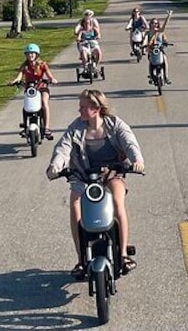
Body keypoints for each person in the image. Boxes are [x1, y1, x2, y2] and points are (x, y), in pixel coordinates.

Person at [46, 89, 145, 280]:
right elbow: (63, 148)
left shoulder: (115, 124)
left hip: (112, 174)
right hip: (83, 176)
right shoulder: (76, 127)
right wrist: (55, 166)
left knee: (117, 200)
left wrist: (137, 160)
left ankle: (123, 254)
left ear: (96, 108)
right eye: (80, 106)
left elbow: (130, 143)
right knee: (75, 204)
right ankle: (81, 259)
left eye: (83, 107)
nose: (80, 110)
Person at [10, 43, 58, 139]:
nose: (30, 55)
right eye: (28, 54)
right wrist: (15, 81)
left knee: (44, 103)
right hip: (30, 89)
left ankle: (47, 127)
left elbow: (50, 75)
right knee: (26, 107)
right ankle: (25, 125)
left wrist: (52, 79)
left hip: (41, 87)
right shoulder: (25, 66)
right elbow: (19, 76)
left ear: (37, 55)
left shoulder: (42, 65)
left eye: (32, 53)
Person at [145, 10, 173, 84]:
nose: (155, 24)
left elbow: (164, 28)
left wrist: (168, 16)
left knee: (165, 60)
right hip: (151, 51)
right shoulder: (148, 33)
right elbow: (145, 40)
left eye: (156, 23)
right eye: (153, 23)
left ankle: (166, 77)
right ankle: (151, 76)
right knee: (151, 62)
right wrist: (145, 45)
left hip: (160, 51)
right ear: (150, 24)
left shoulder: (160, 32)